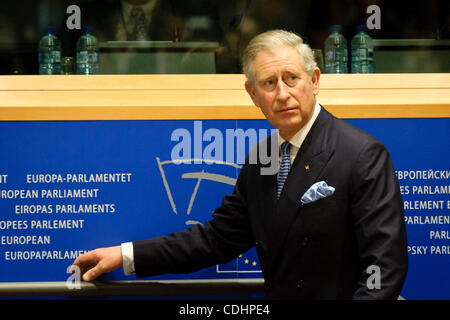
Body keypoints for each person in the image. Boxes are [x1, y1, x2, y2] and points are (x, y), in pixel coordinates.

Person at [73, 29, 408, 299]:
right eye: (268, 83)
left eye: (291, 78)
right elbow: (216, 240)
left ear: (315, 80)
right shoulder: (262, 158)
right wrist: (125, 256)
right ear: (252, 94)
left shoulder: (362, 154)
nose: (282, 94)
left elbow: (384, 269)